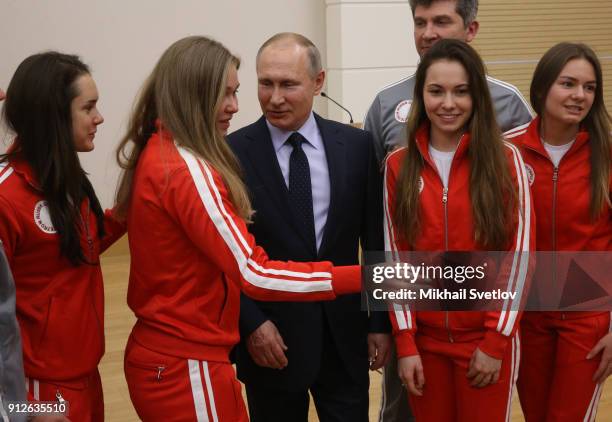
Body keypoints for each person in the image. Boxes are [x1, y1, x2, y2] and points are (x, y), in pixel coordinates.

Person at [114, 35, 362, 422]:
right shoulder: (188, 169)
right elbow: (253, 271)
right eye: (225, 94)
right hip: (188, 359)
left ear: (318, 82)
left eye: (236, 92)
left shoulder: (161, 152)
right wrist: (372, 277)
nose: (235, 106)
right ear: (195, 94)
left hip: (184, 353)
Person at [227, 32, 387, 422]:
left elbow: (376, 240)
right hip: (270, 340)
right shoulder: (231, 154)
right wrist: (252, 324)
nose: (275, 97)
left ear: (318, 83)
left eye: (289, 84)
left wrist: (379, 321)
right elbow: (226, 254)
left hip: (344, 336)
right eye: (266, 83)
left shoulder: (358, 146)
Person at [384, 39, 533, 421]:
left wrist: (495, 341)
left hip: (484, 343)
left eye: (461, 91)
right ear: (421, 95)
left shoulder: (505, 161)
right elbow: (395, 259)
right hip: (424, 345)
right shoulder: (398, 166)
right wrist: (406, 343)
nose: (448, 103)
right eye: (436, 91)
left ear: (477, 97)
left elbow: (518, 258)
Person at [0, 53, 125, 422]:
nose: (99, 117)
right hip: (38, 392)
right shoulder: (6, 197)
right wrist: (22, 409)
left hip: (84, 374)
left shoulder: (63, 177)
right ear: (52, 116)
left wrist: (131, 206)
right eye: (89, 107)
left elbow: (78, 249)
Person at [505, 42, 612, 422]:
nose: (579, 95)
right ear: (542, 87)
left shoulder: (607, 152)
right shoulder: (508, 151)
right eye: (568, 84)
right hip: (527, 318)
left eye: (589, 87)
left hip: (587, 318)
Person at [365, 0, 533, 165]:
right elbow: (371, 187)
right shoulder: (385, 103)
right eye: (420, 23)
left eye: (441, 22)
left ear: (471, 30)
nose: (428, 34)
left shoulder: (508, 101)